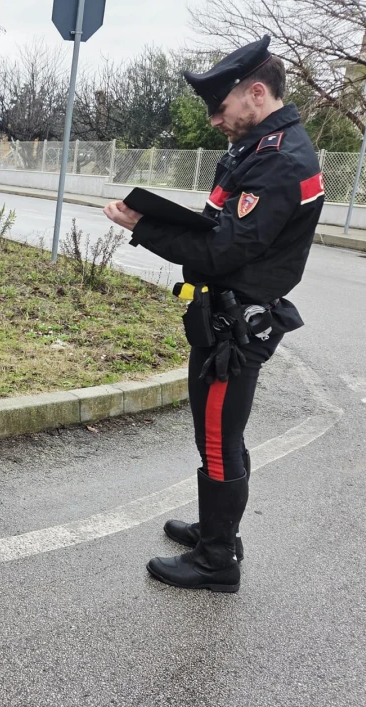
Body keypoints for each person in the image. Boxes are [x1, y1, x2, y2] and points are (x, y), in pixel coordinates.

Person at [103, 35, 324, 593]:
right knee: (219, 433)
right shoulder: (256, 146)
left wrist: (144, 228)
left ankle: (217, 560)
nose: (213, 121)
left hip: (236, 325)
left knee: (220, 437)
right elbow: (218, 228)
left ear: (255, 93)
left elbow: (223, 251)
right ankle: (215, 529)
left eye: (219, 109)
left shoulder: (280, 161)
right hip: (221, 312)